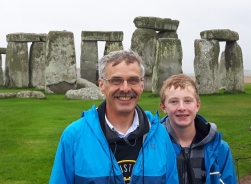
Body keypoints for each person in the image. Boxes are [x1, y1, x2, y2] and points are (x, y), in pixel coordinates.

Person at [49, 49, 178, 183]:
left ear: (142, 85)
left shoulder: (160, 135)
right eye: (116, 81)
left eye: (133, 80)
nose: (125, 88)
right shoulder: (74, 136)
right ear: (101, 85)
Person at [159, 73, 237, 184]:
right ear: (163, 107)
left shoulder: (220, 149)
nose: (181, 107)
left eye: (188, 101)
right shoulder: (154, 148)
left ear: (197, 105)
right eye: (174, 101)